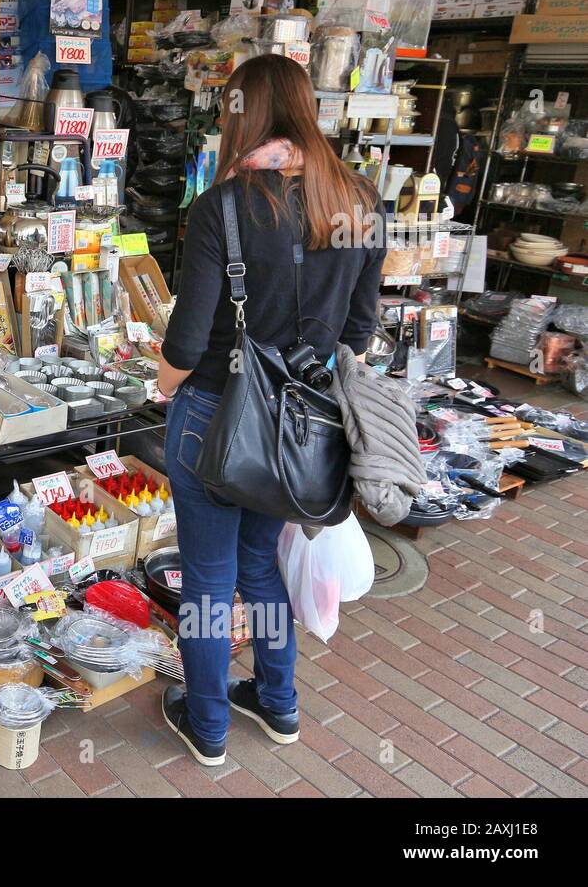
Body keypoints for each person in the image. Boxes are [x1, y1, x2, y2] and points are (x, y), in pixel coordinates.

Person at [156, 54, 386, 766]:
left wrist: (167, 390)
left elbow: (186, 343)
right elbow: (358, 333)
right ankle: (279, 704)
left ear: (242, 113)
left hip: (215, 420)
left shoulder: (223, 206)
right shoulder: (359, 201)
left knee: (206, 581)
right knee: (260, 568)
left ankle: (209, 724)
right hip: (301, 430)